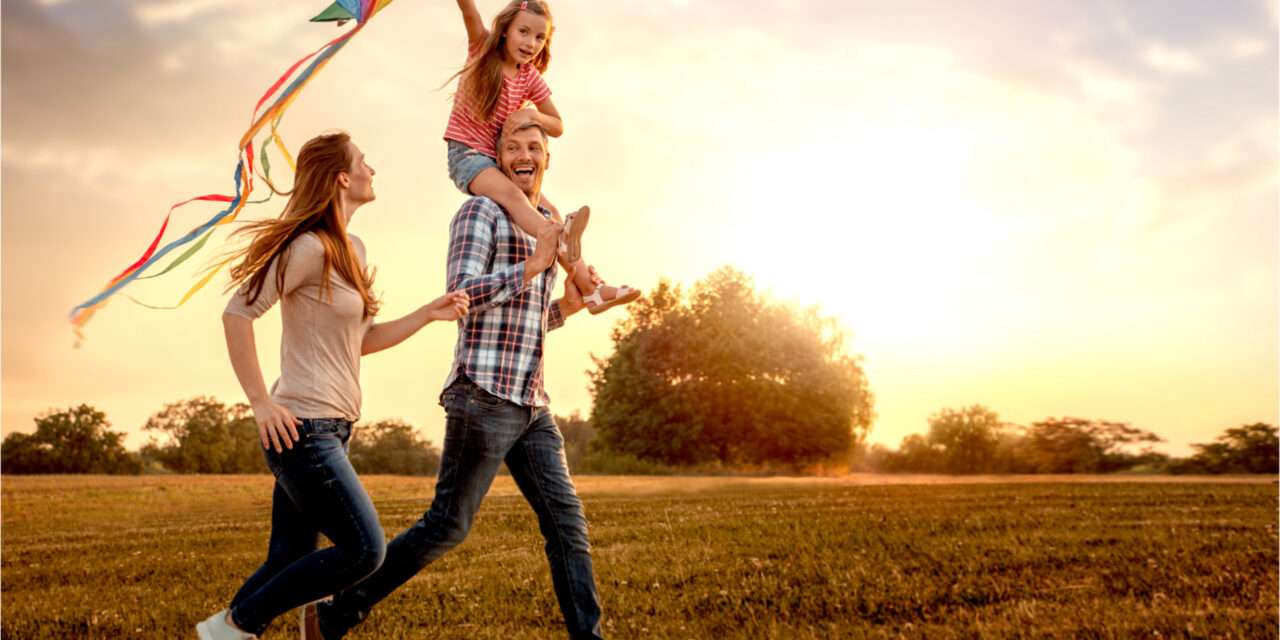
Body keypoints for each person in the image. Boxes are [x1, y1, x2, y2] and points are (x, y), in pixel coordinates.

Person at [311, 121, 604, 639]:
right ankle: (341, 609)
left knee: (568, 524)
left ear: (547, 160)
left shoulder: (545, 222)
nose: (524, 154)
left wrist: (567, 308)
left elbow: (526, 322)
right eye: (511, 147)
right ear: (496, 160)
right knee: (448, 524)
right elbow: (462, 295)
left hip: (532, 402)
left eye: (534, 147)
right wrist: (534, 267)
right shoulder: (480, 211)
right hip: (482, 397)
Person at [195, 131, 470, 640]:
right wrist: (261, 403)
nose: (373, 169)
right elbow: (238, 313)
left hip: (335, 428)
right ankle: (234, 625)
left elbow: (359, 342)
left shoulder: (352, 250)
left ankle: (226, 632)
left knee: (288, 560)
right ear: (344, 177)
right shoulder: (308, 247)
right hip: (301, 428)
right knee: (366, 550)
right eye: (365, 161)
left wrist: (428, 314)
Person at [445, 0, 639, 315]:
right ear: (505, 30)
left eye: (539, 38)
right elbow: (469, 12)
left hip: (496, 160)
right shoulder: (483, 50)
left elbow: (558, 125)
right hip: (468, 155)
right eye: (524, 32)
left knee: (550, 210)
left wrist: (530, 113)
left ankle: (592, 291)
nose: (531, 43)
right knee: (514, 197)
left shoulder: (529, 77)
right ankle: (557, 237)